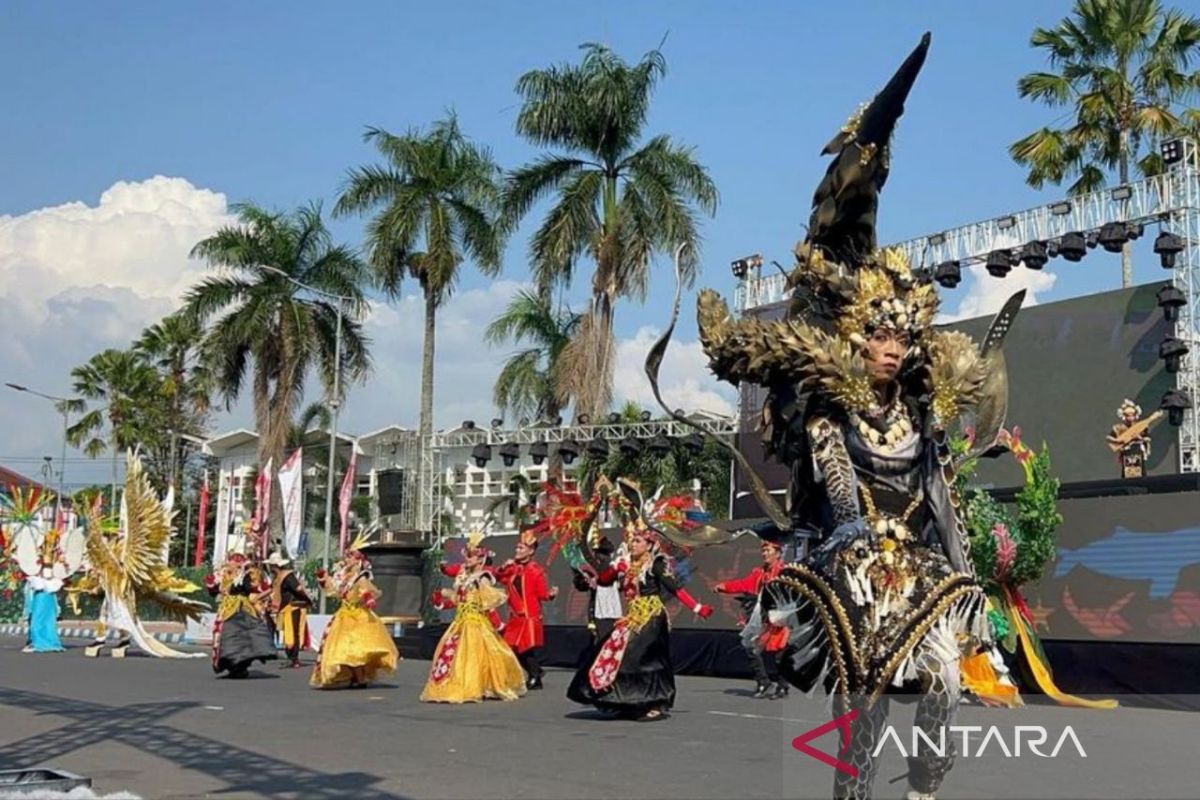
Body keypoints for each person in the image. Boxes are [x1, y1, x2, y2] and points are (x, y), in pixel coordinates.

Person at [697, 34, 1014, 799]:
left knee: (943, 678)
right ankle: (855, 789)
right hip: (854, 564)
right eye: (879, 334)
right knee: (863, 694)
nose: (890, 346)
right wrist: (865, 550)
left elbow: (940, 495)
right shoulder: (829, 417)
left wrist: (964, 568)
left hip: (920, 568)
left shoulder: (921, 412)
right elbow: (840, 496)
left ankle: (926, 780)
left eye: (901, 336)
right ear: (856, 337)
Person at [567, 519, 714, 722]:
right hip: (632, 616)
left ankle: (655, 704)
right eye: (631, 541)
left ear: (649, 544)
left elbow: (674, 588)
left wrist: (698, 608)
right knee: (609, 650)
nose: (632, 544)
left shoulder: (656, 563)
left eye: (637, 541)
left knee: (643, 657)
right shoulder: (626, 563)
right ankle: (625, 702)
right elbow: (605, 581)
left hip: (652, 616)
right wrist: (612, 569)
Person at [421, 530, 527, 703]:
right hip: (460, 622)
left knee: (478, 654)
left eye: (471, 556)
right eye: (467, 555)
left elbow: (487, 602)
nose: (467, 559)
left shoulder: (483, 577)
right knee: (454, 654)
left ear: (480, 559)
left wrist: (496, 622)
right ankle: (456, 684)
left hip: (475, 622)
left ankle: (478, 685)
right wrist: (443, 600)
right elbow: (458, 600)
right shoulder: (464, 577)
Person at [310, 537, 399, 689]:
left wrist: (367, 598)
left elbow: (370, 591)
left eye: (350, 556)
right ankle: (356, 676)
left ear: (358, 560)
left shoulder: (360, 577)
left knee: (354, 648)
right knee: (342, 648)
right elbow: (335, 591)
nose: (347, 559)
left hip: (358, 617)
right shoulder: (344, 577)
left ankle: (360, 677)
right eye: (347, 555)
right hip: (344, 616)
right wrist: (323, 579)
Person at [714, 539, 788, 699]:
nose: (764, 554)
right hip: (762, 616)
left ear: (778, 553)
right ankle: (763, 681)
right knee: (751, 646)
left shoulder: (784, 572)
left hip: (779, 617)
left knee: (780, 653)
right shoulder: (759, 572)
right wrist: (725, 586)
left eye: (768, 550)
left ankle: (782, 686)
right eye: (763, 551)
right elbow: (745, 584)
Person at [495, 530, 558, 690]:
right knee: (512, 648)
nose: (517, 550)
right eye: (517, 547)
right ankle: (535, 673)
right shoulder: (513, 568)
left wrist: (551, 594)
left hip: (529, 615)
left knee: (524, 648)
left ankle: (535, 676)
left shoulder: (536, 570)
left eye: (521, 548)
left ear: (531, 551)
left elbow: (542, 594)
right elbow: (498, 577)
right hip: (515, 615)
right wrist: (503, 567)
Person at [206, 550, 277, 678]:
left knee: (243, 636)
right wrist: (217, 588)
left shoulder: (245, 576)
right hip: (229, 609)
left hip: (241, 608)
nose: (235, 567)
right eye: (234, 564)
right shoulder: (222, 574)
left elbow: (259, 589)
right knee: (228, 636)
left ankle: (239, 666)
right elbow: (212, 589)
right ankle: (234, 666)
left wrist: (257, 596)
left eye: (238, 565)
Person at [571, 537, 622, 645]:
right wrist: (587, 580)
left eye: (601, 554)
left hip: (609, 608)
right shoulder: (597, 568)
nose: (598, 556)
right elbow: (582, 585)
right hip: (600, 608)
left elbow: (607, 581)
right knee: (601, 637)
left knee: (606, 638)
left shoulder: (611, 567)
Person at [266, 551, 312, 668]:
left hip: (292, 607)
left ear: (275, 566)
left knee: (293, 632)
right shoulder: (278, 577)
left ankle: (294, 658)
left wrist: (306, 600)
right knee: (287, 632)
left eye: (271, 566)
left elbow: (298, 589)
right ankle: (291, 657)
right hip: (284, 608)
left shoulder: (287, 576)